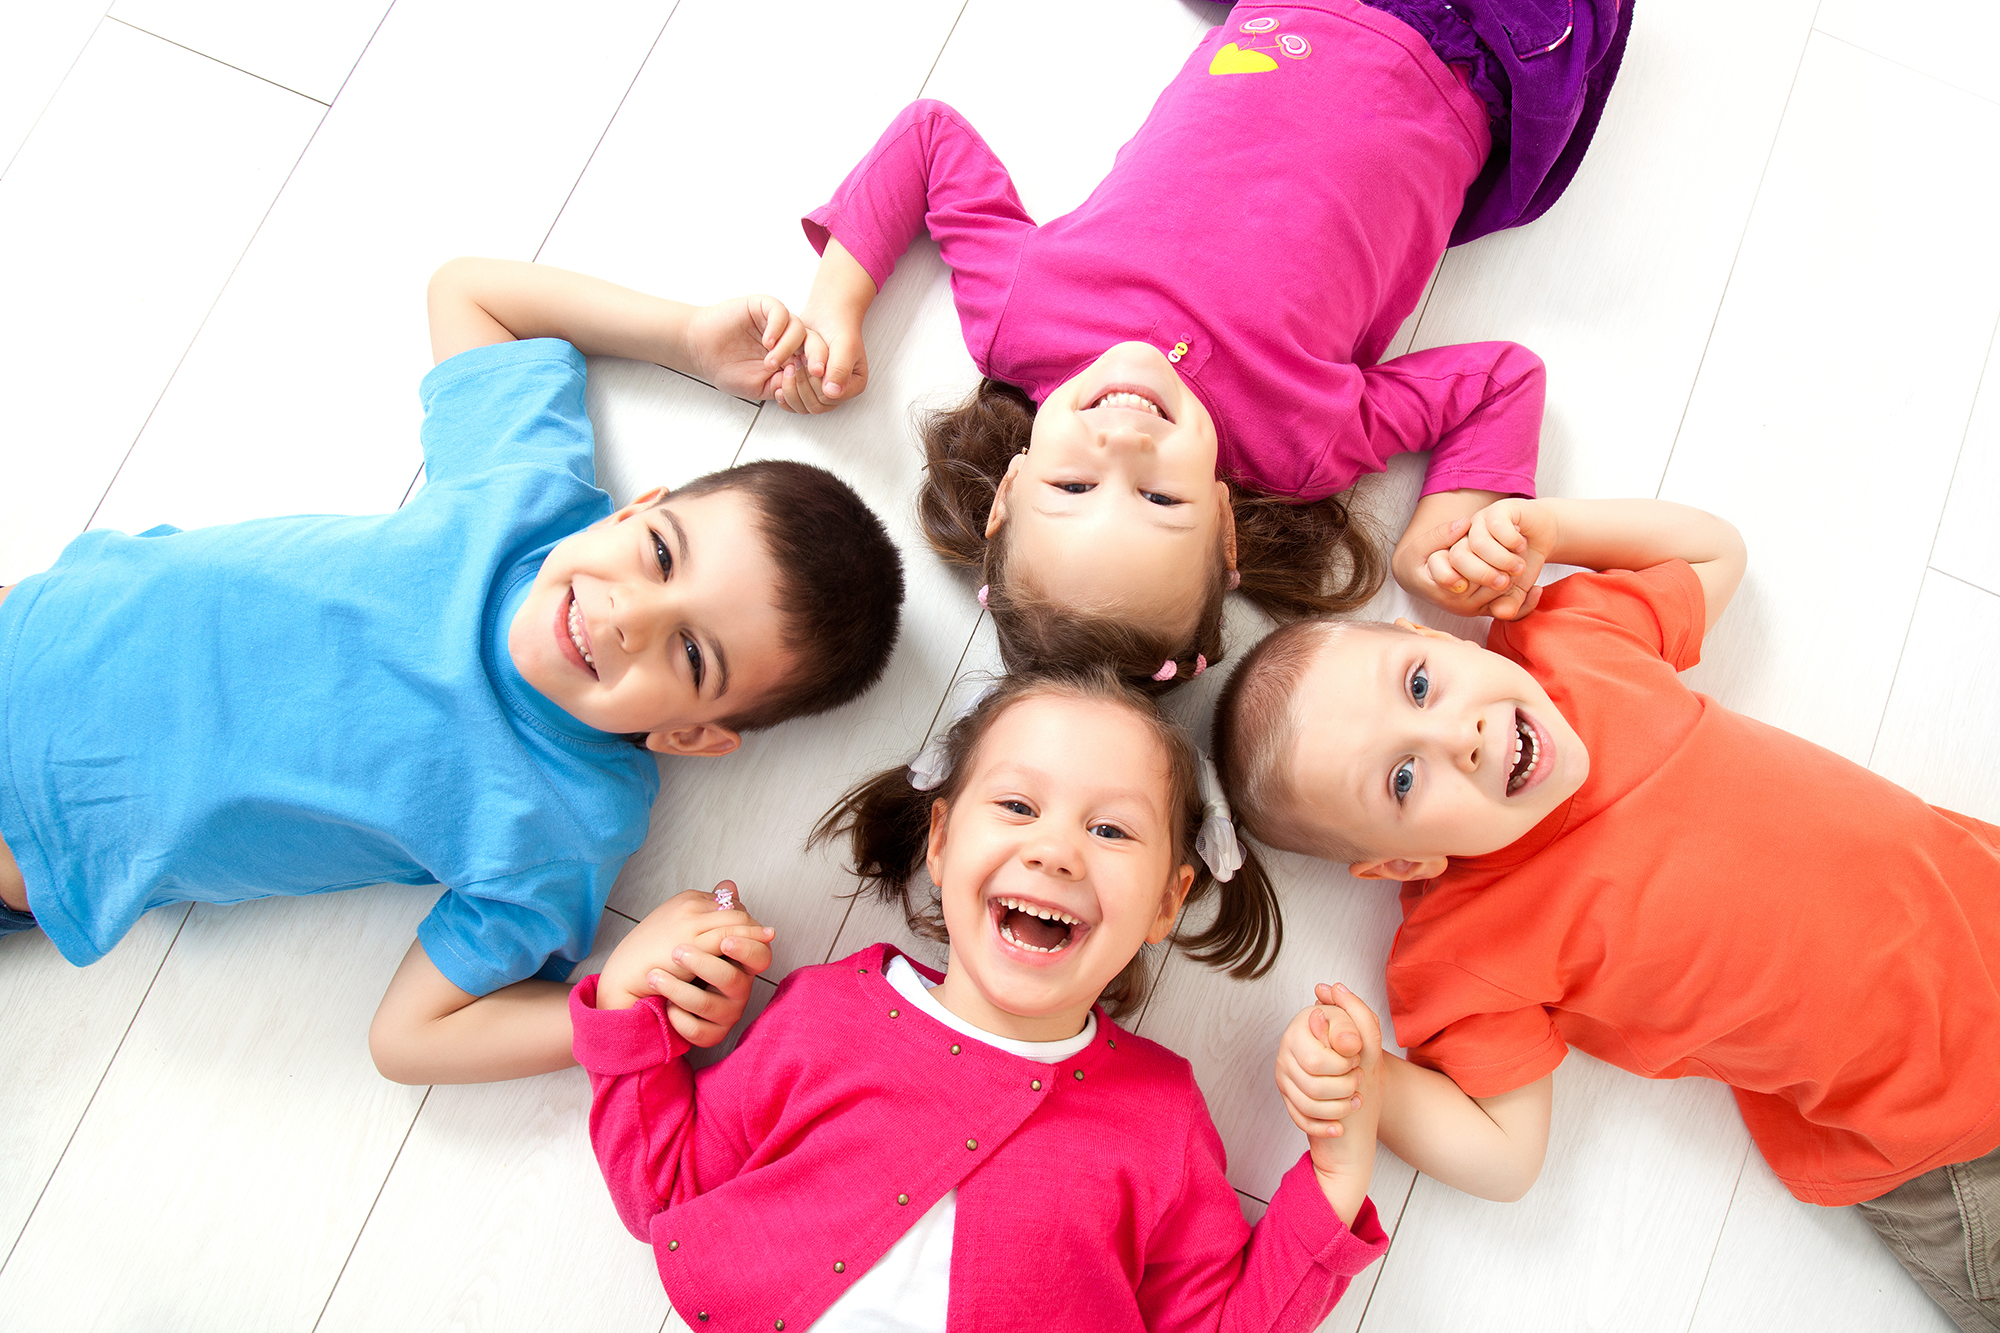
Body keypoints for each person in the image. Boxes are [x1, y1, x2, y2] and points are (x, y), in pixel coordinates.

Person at [0, 258, 904, 1085]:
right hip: (35, 619)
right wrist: (683, 338)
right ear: (638, 508)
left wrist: (626, 1006)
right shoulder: (525, 494)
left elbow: (409, 1038)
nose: (629, 615)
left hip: (38, 835)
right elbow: (470, 292)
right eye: (661, 556)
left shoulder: (562, 824)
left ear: (690, 735)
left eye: (692, 654)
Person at [1211, 495, 2000, 1331]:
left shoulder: (1570, 645)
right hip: (1934, 1139)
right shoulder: (1466, 941)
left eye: (1419, 686)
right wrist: (1375, 1084)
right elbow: (1507, 1156)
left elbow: (1716, 553)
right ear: (1403, 861)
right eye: (1404, 780)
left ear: (1436, 640)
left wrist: (1550, 531)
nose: (1458, 737)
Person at [772, 0, 1629, 687]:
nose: (1124, 442)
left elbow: (930, 140)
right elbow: (1501, 381)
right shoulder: (1297, 443)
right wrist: (1441, 530)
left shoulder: (1020, 320)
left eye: (1073, 483)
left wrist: (838, 304)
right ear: (1224, 531)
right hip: (1476, 53)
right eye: (1159, 500)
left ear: (1009, 487)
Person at [570, 668, 1390, 1330]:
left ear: (1168, 902)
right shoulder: (828, 1014)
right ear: (941, 839)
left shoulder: (1159, 1115)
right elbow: (668, 1191)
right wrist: (624, 1004)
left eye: (1110, 830)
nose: (1055, 850)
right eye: (1018, 805)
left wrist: (1337, 1170)